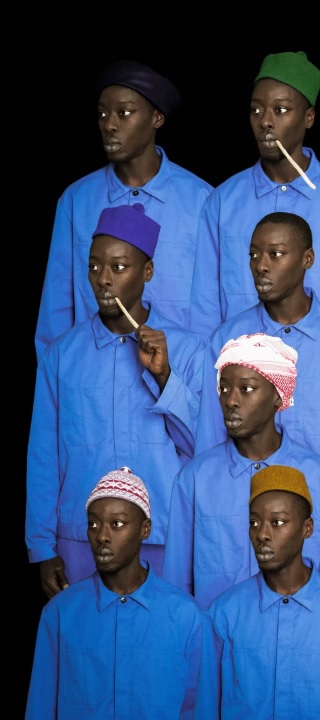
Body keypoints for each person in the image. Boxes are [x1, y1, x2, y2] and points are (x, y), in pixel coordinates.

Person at [27, 205, 206, 596]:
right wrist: (42, 547)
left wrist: (164, 377)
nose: (104, 280)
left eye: (119, 267)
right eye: (94, 267)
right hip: (81, 541)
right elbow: (44, 456)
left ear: (147, 271)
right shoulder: (62, 356)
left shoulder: (190, 351)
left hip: (164, 536)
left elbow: (204, 448)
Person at [36, 60, 213, 358]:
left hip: (178, 373)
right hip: (93, 376)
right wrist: (56, 376)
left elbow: (214, 304)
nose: (109, 125)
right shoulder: (77, 201)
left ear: (157, 117)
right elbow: (56, 311)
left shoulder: (203, 201)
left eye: (125, 112)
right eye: (103, 114)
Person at [163, 333, 320, 609]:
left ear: (277, 396)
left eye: (246, 388)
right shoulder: (194, 479)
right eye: (224, 389)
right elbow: (177, 587)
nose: (231, 401)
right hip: (216, 633)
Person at [190, 51, 320, 336]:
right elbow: (205, 306)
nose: (265, 121)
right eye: (256, 110)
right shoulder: (222, 201)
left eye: (280, 110)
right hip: (239, 359)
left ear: (309, 117)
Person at [26, 468, 205, 719]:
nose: (102, 536)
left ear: (145, 529)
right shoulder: (59, 613)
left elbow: (199, 707)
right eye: (93, 524)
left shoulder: (187, 616)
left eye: (117, 524)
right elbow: (41, 707)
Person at [197, 466, 320, 719]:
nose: (262, 534)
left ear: (307, 528)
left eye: (277, 522)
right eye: (254, 523)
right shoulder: (224, 613)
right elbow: (206, 707)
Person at [195, 212, 320, 463]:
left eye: (275, 254)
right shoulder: (227, 338)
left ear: (307, 259)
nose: (261, 266)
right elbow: (211, 435)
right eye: (254, 255)